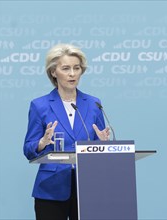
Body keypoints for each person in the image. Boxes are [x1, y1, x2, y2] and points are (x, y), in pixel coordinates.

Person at [23, 43, 110, 220]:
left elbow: (100, 149)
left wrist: (103, 145)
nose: (72, 74)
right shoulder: (40, 105)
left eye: (76, 68)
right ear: (54, 72)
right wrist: (42, 143)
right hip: (51, 189)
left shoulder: (93, 104)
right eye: (66, 68)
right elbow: (28, 149)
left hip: (87, 186)